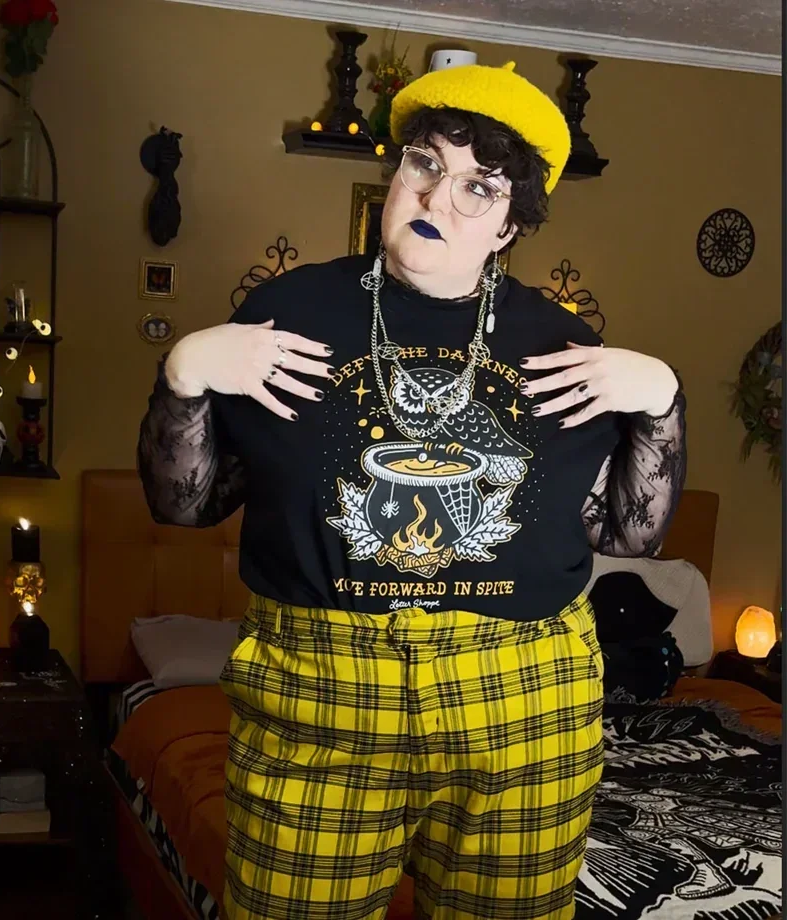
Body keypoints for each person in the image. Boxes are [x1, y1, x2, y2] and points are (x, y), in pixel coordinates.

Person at [137, 58, 685, 920]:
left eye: (480, 187)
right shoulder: (286, 310)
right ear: (396, 172)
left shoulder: (566, 346)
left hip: (524, 699)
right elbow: (184, 505)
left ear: (509, 224)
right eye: (426, 165)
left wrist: (662, 403)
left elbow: (631, 538)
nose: (438, 198)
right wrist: (184, 375)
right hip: (319, 693)